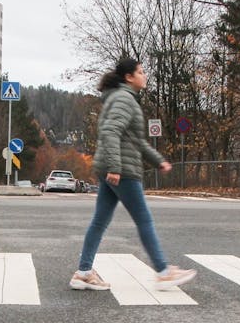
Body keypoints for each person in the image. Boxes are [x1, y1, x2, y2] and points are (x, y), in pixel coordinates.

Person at [70, 58, 197, 291]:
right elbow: (110, 132)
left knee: (99, 221)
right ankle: (163, 272)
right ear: (129, 77)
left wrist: (158, 161)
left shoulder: (120, 98)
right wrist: (115, 167)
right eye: (140, 72)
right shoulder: (124, 99)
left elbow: (136, 141)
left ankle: (83, 272)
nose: (144, 75)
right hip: (123, 170)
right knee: (143, 220)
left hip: (112, 167)